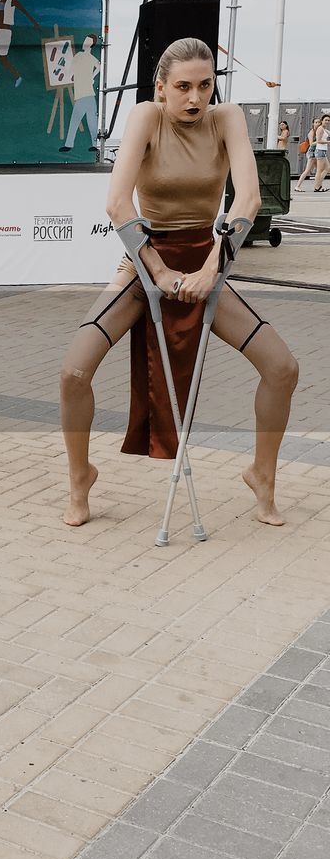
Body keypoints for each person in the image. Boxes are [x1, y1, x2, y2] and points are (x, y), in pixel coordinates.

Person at [59, 37, 298, 530]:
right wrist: (161, 271)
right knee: (73, 373)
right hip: (145, 262)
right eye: (183, 87)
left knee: (283, 368)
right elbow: (117, 205)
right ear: (161, 87)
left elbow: (248, 199)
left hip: (208, 258)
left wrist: (213, 267)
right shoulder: (146, 115)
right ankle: (81, 477)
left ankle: (262, 476)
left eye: (204, 86)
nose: (194, 98)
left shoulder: (226, 118)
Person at [61, 35, 101, 153]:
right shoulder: (80, 56)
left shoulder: (87, 57)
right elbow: (70, 71)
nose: (85, 43)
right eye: (85, 41)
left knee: (80, 121)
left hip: (86, 95)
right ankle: (93, 144)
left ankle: (70, 144)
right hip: (86, 95)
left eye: (87, 42)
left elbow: (98, 66)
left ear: (92, 44)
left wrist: (91, 77)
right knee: (89, 121)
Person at [295, 117, 321, 191]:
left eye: (319, 122)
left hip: (316, 152)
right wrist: (320, 141)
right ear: (313, 123)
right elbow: (311, 143)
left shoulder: (319, 131)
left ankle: (318, 186)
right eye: (316, 122)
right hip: (312, 153)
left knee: (320, 170)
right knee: (307, 170)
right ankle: (297, 186)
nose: (317, 124)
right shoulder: (311, 132)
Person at [312, 114, 330, 193]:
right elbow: (318, 141)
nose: (327, 122)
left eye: (328, 120)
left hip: (323, 151)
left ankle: (319, 184)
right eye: (325, 120)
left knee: (327, 168)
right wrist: (328, 141)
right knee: (319, 170)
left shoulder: (324, 129)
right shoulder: (320, 129)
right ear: (322, 121)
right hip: (320, 150)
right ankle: (317, 187)